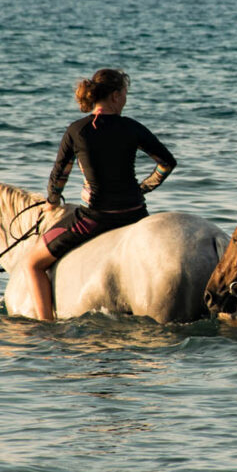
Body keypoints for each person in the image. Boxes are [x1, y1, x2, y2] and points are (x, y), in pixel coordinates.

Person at [22, 69, 176, 321]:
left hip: (94, 219)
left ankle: (45, 326)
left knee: (32, 263)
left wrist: (52, 202)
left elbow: (59, 176)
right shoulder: (132, 127)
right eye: (125, 94)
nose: (125, 99)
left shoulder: (77, 130)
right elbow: (167, 163)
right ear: (115, 96)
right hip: (135, 215)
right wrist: (143, 187)